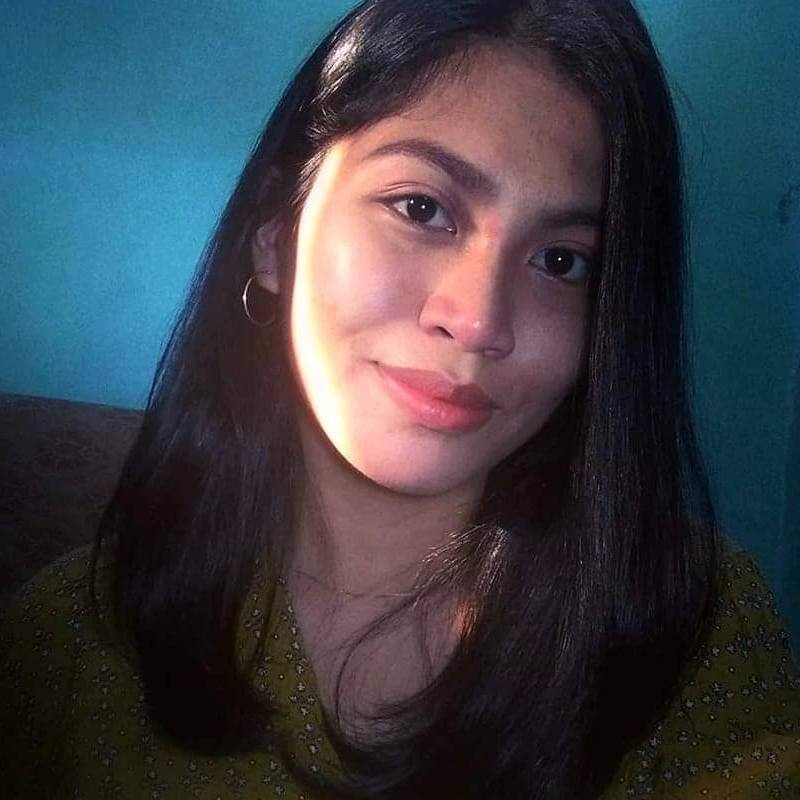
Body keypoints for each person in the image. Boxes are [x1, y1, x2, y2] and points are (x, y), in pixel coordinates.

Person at [1, 0, 798, 797]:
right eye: (422, 209)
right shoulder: (61, 648)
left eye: (562, 260)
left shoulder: (696, 629)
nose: (478, 320)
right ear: (276, 235)